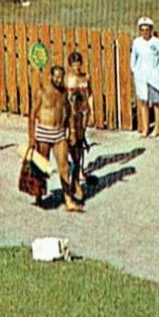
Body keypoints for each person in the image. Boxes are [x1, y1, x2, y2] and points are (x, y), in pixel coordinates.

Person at [28, 62, 84, 212]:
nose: (59, 80)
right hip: (44, 133)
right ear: (50, 76)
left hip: (59, 133)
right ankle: (39, 196)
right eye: (57, 77)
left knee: (64, 166)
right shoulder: (42, 91)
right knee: (41, 167)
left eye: (62, 77)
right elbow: (32, 115)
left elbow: (70, 113)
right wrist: (31, 138)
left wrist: (72, 131)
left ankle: (68, 199)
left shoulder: (64, 93)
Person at [130, 17, 159, 137]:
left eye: (147, 29)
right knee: (143, 102)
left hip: (153, 77)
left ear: (151, 30)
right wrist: (135, 70)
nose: (145, 32)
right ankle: (146, 128)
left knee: (156, 102)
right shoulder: (137, 42)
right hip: (141, 77)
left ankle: (157, 127)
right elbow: (133, 59)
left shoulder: (157, 43)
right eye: (142, 30)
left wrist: (158, 72)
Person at [64, 50, 93, 189]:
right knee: (72, 140)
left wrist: (92, 111)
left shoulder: (86, 77)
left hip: (84, 111)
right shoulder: (67, 78)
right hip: (72, 114)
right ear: (70, 65)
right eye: (74, 65)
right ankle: (72, 167)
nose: (77, 67)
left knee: (81, 140)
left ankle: (80, 169)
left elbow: (90, 94)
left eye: (78, 64)